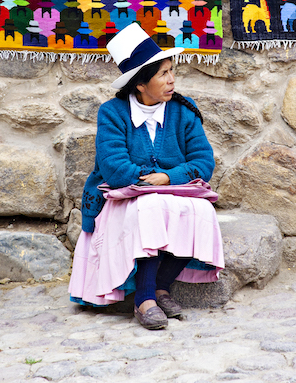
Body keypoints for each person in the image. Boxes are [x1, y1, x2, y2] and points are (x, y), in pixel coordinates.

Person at [68, 23, 224, 329]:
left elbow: (203, 161)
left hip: (175, 191)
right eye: (163, 74)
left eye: (171, 71)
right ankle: (144, 300)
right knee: (150, 208)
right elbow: (113, 167)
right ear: (140, 84)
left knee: (202, 212)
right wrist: (146, 182)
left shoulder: (183, 112)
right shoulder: (112, 113)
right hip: (123, 198)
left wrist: (168, 178)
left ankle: (160, 287)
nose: (172, 79)